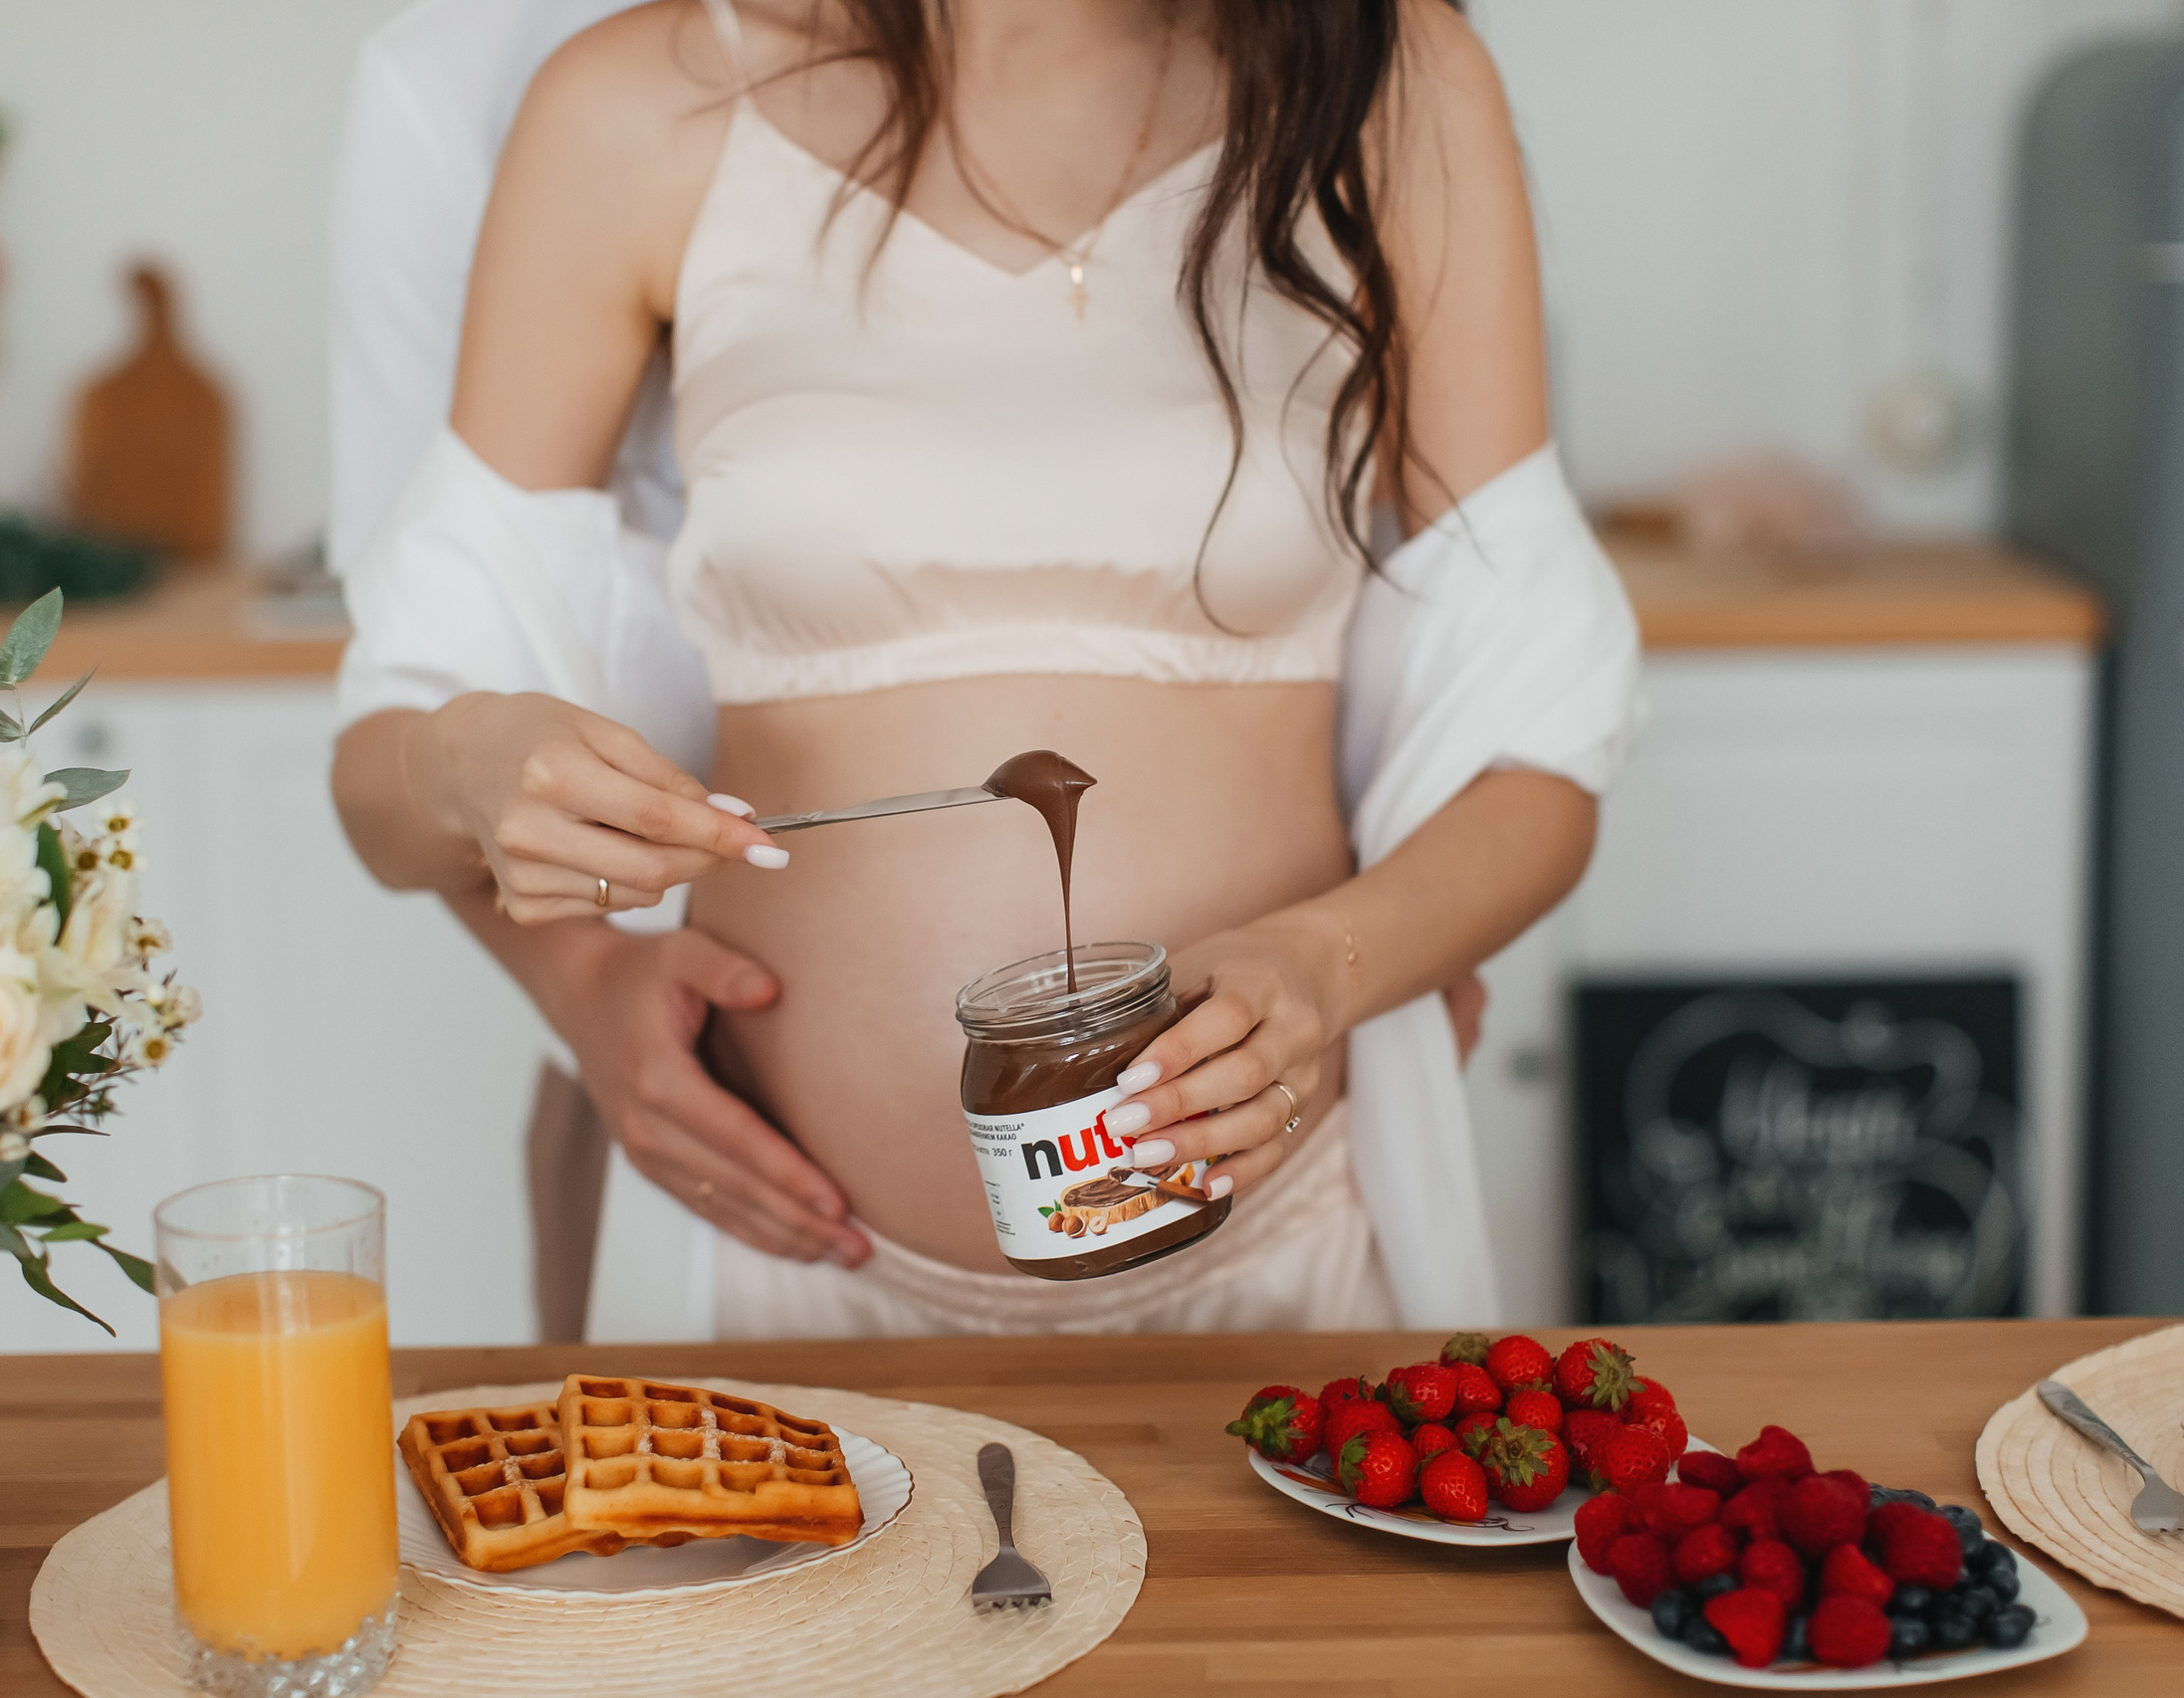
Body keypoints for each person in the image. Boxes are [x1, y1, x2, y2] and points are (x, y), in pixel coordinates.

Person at [329, 0, 1638, 1338]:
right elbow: (382, 782)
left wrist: (1335, 962)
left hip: (1287, 1248)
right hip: (783, 1269)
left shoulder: (1388, 74)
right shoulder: (631, 103)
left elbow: (1538, 762)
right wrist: (510, 843)